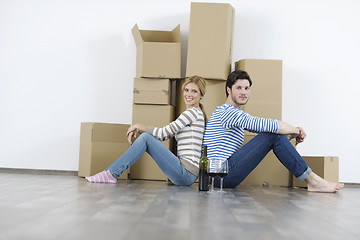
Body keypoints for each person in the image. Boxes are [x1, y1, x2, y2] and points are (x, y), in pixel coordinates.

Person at [203, 70, 344, 193]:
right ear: (229, 90)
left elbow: (270, 134)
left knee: (273, 135)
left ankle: (313, 180)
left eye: (247, 88)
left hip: (222, 174)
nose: (243, 92)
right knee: (272, 133)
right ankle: (313, 181)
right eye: (238, 88)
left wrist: (290, 134)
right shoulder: (227, 112)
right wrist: (296, 131)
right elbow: (271, 126)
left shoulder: (233, 115)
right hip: (218, 175)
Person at [86, 75, 206, 186]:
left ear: (201, 95)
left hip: (186, 173)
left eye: (194, 91)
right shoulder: (195, 113)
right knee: (146, 138)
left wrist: (138, 126)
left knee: (146, 138)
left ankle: (111, 174)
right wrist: (140, 130)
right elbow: (163, 137)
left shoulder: (192, 113)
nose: (188, 94)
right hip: (186, 174)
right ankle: (111, 173)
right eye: (186, 90)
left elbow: (162, 133)